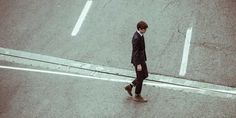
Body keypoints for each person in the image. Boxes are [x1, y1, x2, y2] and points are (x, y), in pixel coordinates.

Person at [125, 21, 149, 102]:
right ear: (140, 29)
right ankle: (137, 95)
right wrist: (138, 64)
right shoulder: (136, 38)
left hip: (141, 59)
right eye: (144, 29)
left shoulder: (140, 35)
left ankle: (130, 86)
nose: (145, 30)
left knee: (144, 75)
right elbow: (136, 52)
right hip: (138, 61)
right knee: (140, 78)